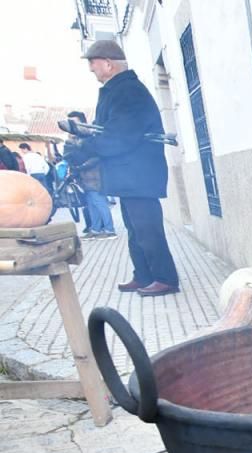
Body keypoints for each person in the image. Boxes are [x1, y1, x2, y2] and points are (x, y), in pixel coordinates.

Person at [67, 40, 179, 296]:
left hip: (139, 175)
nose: (91, 70)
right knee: (135, 230)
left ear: (108, 63)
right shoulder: (116, 90)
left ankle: (166, 279)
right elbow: (107, 129)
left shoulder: (128, 91)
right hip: (130, 176)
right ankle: (144, 275)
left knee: (148, 230)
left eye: (93, 64)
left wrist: (84, 149)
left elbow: (120, 136)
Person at [62, 110, 116, 238]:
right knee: (91, 204)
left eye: (74, 122)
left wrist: (82, 165)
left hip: (94, 176)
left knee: (99, 202)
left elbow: (97, 156)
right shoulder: (72, 139)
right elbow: (68, 155)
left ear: (83, 123)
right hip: (82, 178)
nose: (71, 125)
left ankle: (109, 229)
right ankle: (95, 229)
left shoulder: (91, 136)